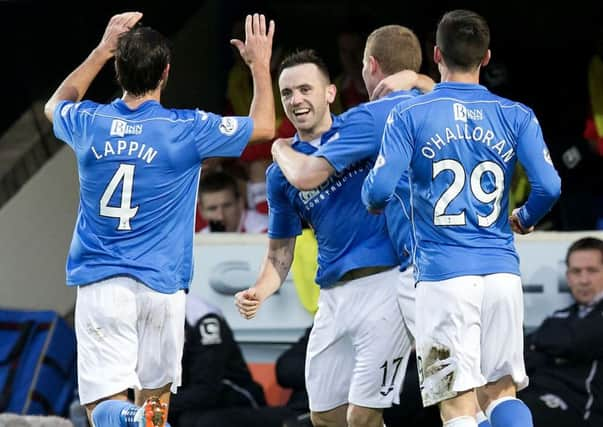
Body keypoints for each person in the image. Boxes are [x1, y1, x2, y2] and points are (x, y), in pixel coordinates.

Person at [43, 11, 275, 427]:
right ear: (166, 73)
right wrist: (259, 65)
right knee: (158, 409)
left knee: (103, 412)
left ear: (117, 69)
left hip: (102, 283)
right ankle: (141, 417)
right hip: (163, 287)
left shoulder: (89, 123)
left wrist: (100, 48)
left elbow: (55, 104)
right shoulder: (186, 129)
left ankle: (131, 418)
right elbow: (262, 126)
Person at [362, 9, 561, 427]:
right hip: (501, 273)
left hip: (442, 276)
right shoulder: (516, 114)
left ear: (436, 54)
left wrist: (371, 198)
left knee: (457, 404)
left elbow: (378, 191)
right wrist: (524, 217)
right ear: (486, 58)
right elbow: (550, 185)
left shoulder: (410, 115)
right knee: (501, 390)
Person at [234, 44, 425, 427]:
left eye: (305, 89)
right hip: (333, 300)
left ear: (330, 93)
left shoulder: (365, 125)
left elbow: (434, 99)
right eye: (287, 93)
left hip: (386, 287)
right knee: (325, 418)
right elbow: (279, 255)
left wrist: (416, 77)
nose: (295, 100)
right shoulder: (280, 175)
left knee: (363, 417)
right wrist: (260, 289)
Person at [518, 237, 603, 427]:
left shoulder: (556, 323)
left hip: (578, 408)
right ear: (568, 276)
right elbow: (524, 356)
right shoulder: (560, 316)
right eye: (576, 271)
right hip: (536, 392)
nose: (584, 280)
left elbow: (576, 341)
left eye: (592, 271)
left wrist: (540, 342)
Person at [197, 171, 267, 233]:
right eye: (212, 208)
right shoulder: (200, 238)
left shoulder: (264, 231)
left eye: (227, 206)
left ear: (240, 203)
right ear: (201, 211)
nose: (221, 217)